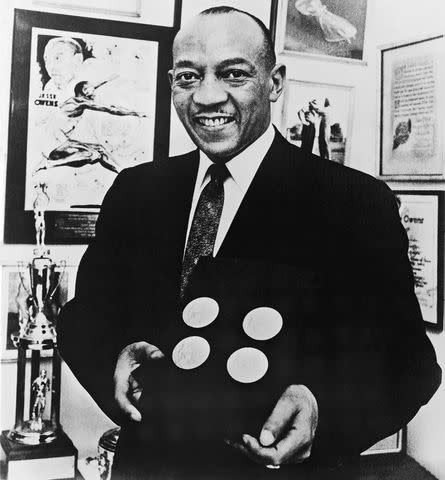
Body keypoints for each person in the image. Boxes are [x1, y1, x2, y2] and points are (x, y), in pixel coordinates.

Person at [58, 7, 441, 480]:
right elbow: (83, 317)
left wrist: (323, 412)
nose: (206, 96)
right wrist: (111, 362)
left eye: (233, 74)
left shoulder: (354, 204)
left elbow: (409, 364)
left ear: (274, 83)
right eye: (187, 76)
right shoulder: (136, 191)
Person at [42, 37, 84, 102]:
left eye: (57, 58)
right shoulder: (49, 87)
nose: (52, 67)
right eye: (47, 60)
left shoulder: (90, 89)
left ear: (77, 60)